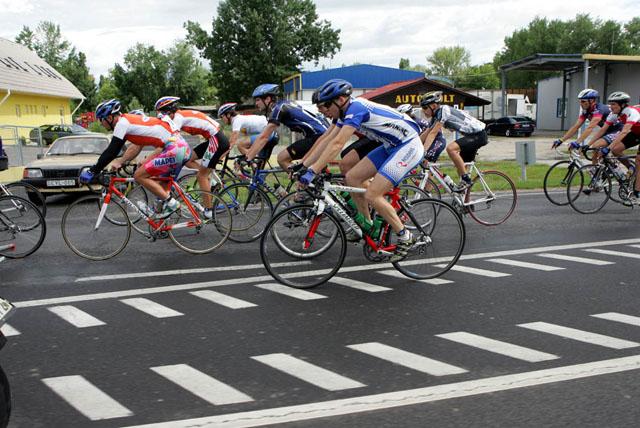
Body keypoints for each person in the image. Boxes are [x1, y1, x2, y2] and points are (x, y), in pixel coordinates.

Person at [299, 79, 424, 262]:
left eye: (325, 105)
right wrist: (304, 165)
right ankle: (368, 225)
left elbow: (337, 144)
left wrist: (313, 171)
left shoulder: (356, 109)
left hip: (408, 145)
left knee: (373, 194)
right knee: (352, 177)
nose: (322, 110)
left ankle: (405, 236)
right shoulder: (343, 113)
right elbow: (327, 139)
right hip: (390, 145)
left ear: (341, 100)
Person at [79, 99, 191, 217]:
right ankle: (160, 219)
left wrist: (93, 171)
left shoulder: (122, 124)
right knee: (160, 185)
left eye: (101, 119)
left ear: (110, 118)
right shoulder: (126, 121)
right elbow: (123, 149)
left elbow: (111, 151)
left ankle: (172, 204)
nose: (101, 123)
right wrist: (121, 162)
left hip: (175, 149)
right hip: (181, 148)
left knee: (139, 175)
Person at [154, 96, 231, 218]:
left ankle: (209, 211)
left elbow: (171, 140)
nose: (161, 118)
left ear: (168, 111)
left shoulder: (178, 118)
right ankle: (210, 180)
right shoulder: (180, 115)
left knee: (201, 176)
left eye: (161, 114)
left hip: (216, 140)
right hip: (215, 138)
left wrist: (155, 157)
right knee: (188, 158)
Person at [245, 83, 328, 170]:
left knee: (282, 158)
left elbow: (264, 137)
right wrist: (249, 154)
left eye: (258, 100)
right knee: (305, 166)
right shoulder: (284, 104)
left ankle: (302, 178)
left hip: (318, 136)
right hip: (320, 135)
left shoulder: (278, 109)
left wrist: (248, 158)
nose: (256, 103)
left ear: (268, 99)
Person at [420, 91, 487, 191]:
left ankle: (466, 180)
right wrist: (415, 144)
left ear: (433, 106)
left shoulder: (443, 111)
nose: (423, 111)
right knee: (461, 170)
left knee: (451, 149)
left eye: (425, 107)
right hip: (471, 136)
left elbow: (433, 133)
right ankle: (465, 199)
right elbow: (427, 132)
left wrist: (423, 151)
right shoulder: (436, 116)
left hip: (478, 135)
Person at [551, 89, 621, 165]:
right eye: (580, 101)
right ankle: (596, 170)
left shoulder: (599, 109)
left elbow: (590, 128)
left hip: (619, 129)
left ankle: (628, 167)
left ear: (592, 101)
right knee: (595, 152)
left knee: (596, 145)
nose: (581, 104)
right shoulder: (586, 111)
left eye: (583, 101)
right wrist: (561, 140)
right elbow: (576, 126)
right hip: (606, 131)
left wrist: (577, 142)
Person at [600, 92, 640, 202]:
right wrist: (587, 145)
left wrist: (608, 147)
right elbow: (602, 130)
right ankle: (631, 168)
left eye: (613, 104)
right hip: (636, 133)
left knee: (638, 161)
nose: (611, 107)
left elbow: (624, 131)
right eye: (610, 104)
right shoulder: (614, 114)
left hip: (635, 132)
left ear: (622, 105)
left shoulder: (632, 112)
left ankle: (637, 192)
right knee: (616, 150)